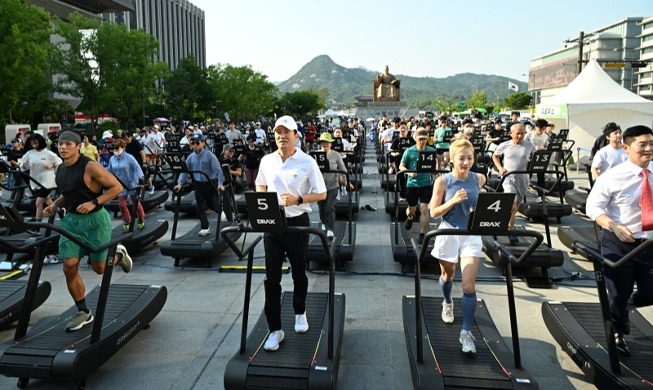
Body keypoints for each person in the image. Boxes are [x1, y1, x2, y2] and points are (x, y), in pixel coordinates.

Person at [42, 131, 132, 332]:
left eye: (67, 144)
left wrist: (94, 202)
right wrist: (55, 205)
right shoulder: (61, 169)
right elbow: (68, 193)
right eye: (60, 144)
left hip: (95, 222)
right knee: (69, 266)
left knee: (99, 268)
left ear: (78, 146)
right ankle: (83, 311)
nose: (63, 147)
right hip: (72, 221)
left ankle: (119, 254)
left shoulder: (90, 166)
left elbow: (116, 187)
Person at [255, 115, 326, 352]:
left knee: (299, 273)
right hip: (273, 223)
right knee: (271, 278)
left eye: (287, 132)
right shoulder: (267, 160)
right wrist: (262, 199)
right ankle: (275, 328)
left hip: (298, 222)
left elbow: (322, 193)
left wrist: (299, 198)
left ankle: (299, 311)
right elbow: (260, 184)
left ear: (296, 135)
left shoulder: (307, 162)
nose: (282, 136)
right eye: (278, 132)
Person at [586, 125, 653, 356]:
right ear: (626, 148)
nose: (648, 149)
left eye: (651, 144)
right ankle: (617, 331)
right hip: (620, 243)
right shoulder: (612, 176)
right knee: (617, 294)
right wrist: (613, 225)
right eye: (642, 145)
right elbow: (593, 207)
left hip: (649, 244)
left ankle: (626, 307)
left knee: (649, 292)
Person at [429, 138, 486, 354]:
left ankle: (466, 333)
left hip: (471, 235)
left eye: (470, 158)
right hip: (449, 232)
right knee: (448, 276)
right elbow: (434, 212)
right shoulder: (443, 181)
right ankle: (447, 301)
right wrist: (452, 201)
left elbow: (483, 203)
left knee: (469, 286)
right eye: (461, 158)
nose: (466, 163)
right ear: (451, 159)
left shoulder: (479, 178)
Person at [174, 133, 225, 236]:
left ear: (203, 143)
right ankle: (205, 227)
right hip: (198, 184)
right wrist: (179, 184)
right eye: (193, 143)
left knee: (212, 204)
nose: (195, 145)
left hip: (210, 183)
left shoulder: (210, 156)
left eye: (197, 142)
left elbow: (218, 170)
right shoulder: (190, 157)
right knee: (200, 206)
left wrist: (220, 183)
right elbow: (184, 171)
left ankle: (220, 210)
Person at [491, 123, 534, 242]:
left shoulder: (529, 145)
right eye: (517, 133)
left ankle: (507, 222)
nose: (520, 136)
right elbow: (495, 156)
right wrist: (500, 168)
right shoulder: (504, 145)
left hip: (523, 177)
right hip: (508, 177)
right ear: (511, 134)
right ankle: (510, 229)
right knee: (511, 203)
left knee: (516, 206)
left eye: (522, 133)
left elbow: (534, 157)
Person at [19, 134, 63, 234]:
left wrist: (51, 165)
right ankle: (61, 212)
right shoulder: (29, 153)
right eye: (31, 142)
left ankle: (37, 227)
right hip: (35, 181)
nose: (33, 144)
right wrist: (24, 166)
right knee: (48, 202)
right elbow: (22, 164)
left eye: (35, 142)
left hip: (47, 181)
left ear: (40, 142)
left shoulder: (48, 153)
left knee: (38, 203)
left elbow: (60, 162)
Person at [399, 128, 436, 245]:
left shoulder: (431, 150)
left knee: (424, 209)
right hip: (413, 184)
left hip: (426, 184)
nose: (422, 141)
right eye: (420, 139)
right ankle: (410, 218)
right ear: (415, 139)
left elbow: (435, 164)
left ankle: (422, 233)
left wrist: (435, 171)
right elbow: (401, 166)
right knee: (412, 210)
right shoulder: (409, 151)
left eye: (425, 139)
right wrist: (409, 172)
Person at [107, 139, 146, 231]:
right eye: (114, 148)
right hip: (120, 184)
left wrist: (141, 179)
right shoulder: (112, 159)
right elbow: (109, 171)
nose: (115, 150)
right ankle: (127, 220)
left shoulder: (129, 157)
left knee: (135, 202)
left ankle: (140, 219)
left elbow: (137, 168)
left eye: (117, 148)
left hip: (132, 183)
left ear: (123, 148)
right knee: (122, 204)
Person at [316, 132, 347, 239]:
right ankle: (323, 221)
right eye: (323, 143)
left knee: (329, 206)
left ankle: (330, 228)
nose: (325, 145)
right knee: (321, 206)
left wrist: (345, 179)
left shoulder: (336, 155)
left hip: (332, 184)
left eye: (327, 143)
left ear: (331, 144)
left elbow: (343, 168)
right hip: (319, 186)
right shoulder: (315, 155)